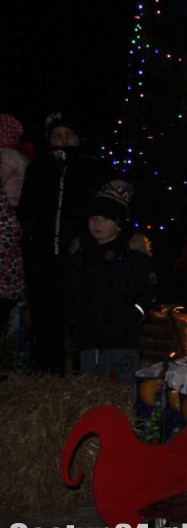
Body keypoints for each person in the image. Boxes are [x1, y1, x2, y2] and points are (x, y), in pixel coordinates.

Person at [20, 111, 105, 374]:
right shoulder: (37, 168)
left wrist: (86, 240)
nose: (63, 141)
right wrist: (31, 242)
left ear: (79, 138)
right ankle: (48, 374)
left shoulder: (92, 168)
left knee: (81, 318)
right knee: (45, 318)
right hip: (42, 256)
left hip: (80, 256)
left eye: (69, 135)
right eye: (57, 136)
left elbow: (102, 208)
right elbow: (26, 209)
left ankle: (84, 376)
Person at [65, 180, 156, 383]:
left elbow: (147, 291)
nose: (97, 224)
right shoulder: (81, 255)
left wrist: (135, 312)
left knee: (123, 389)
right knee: (89, 389)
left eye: (105, 219)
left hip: (123, 339)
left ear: (118, 222)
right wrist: (75, 318)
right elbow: (72, 290)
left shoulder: (133, 255)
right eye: (94, 218)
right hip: (88, 338)